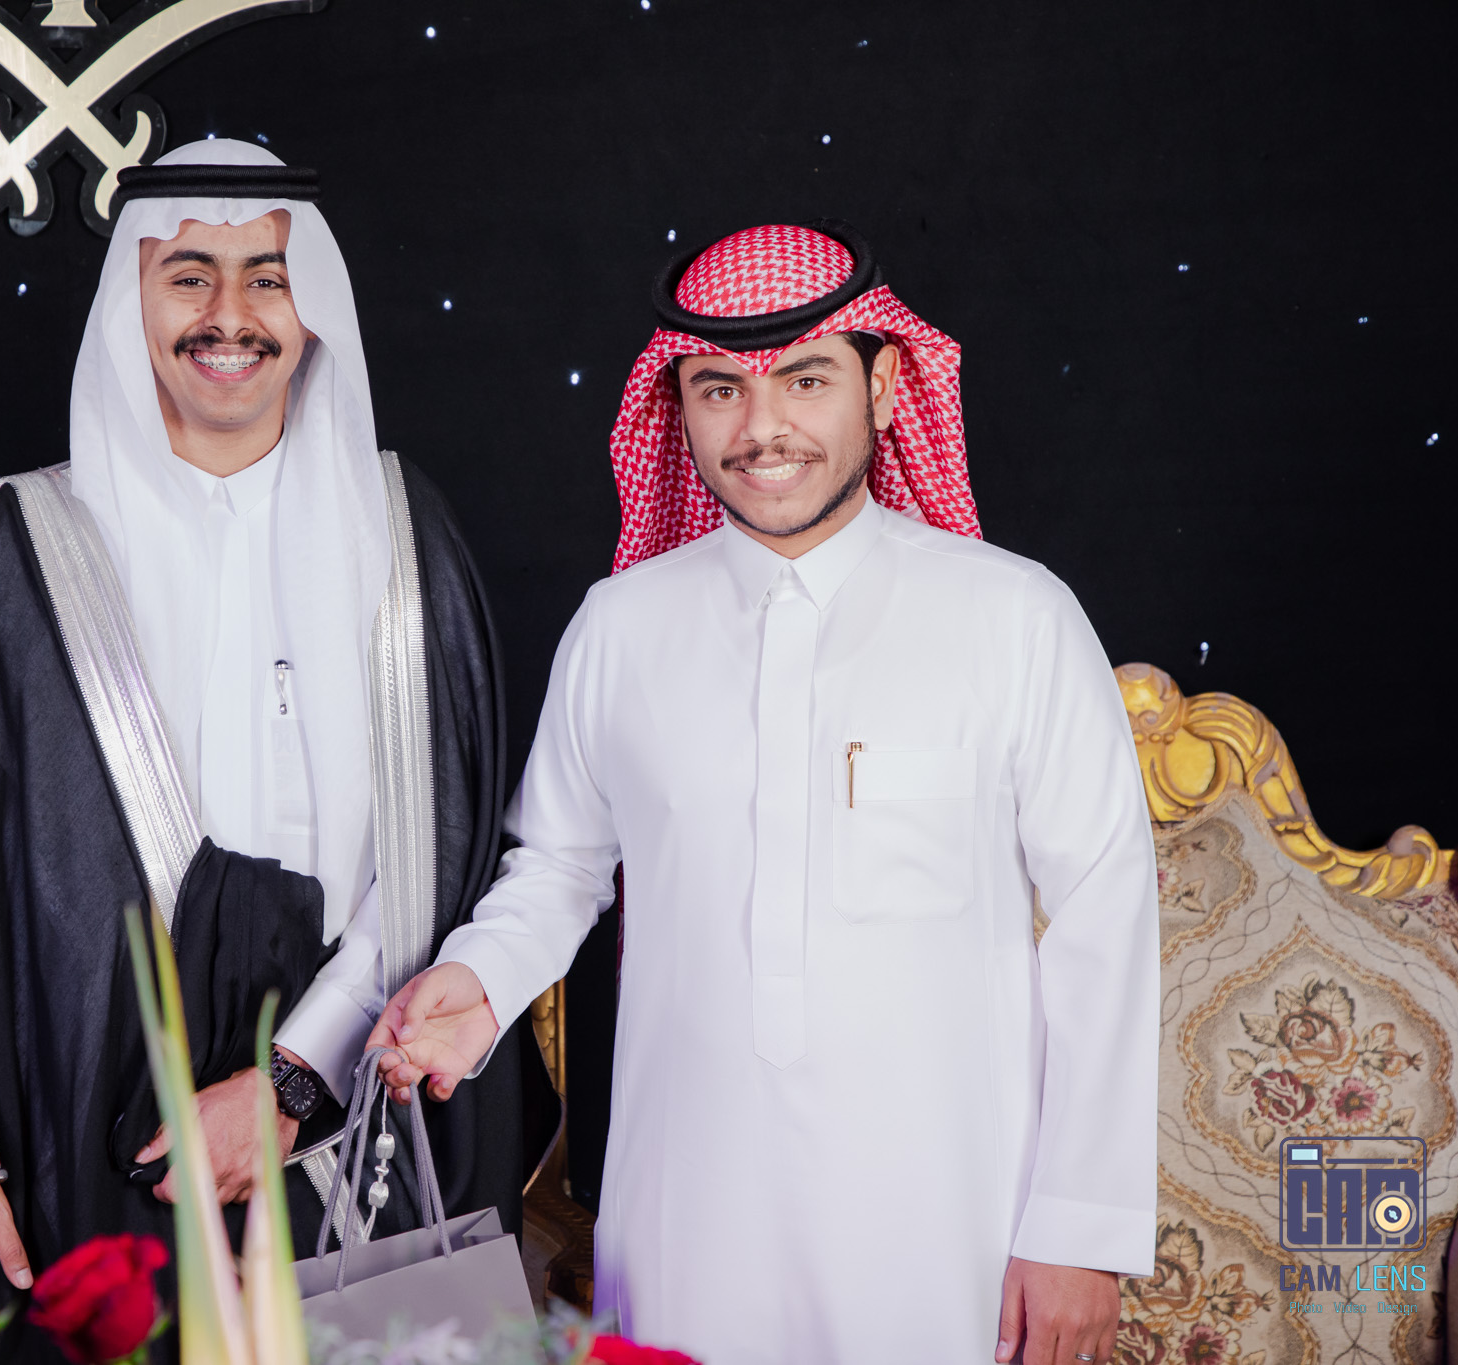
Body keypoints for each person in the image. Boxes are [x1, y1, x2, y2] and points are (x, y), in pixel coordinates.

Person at [371, 221, 1159, 1365]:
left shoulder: (1014, 619)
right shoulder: (620, 627)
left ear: (881, 387)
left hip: (950, 1223)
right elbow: (560, 865)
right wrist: (482, 984)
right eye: (719, 389)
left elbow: (1103, 915)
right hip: (687, 1213)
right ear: (677, 407)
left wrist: (1078, 1232)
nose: (760, 428)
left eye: (804, 380)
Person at [0, 139, 543, 1358]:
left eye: (266, 277)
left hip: (358, 1117)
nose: (230, 315)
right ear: (134, 299)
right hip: (93, 1123)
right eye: (188, 277)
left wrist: (292, 1079)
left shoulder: (399, 531)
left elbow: (449, 842)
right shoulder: (23, 541)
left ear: (311, 306)